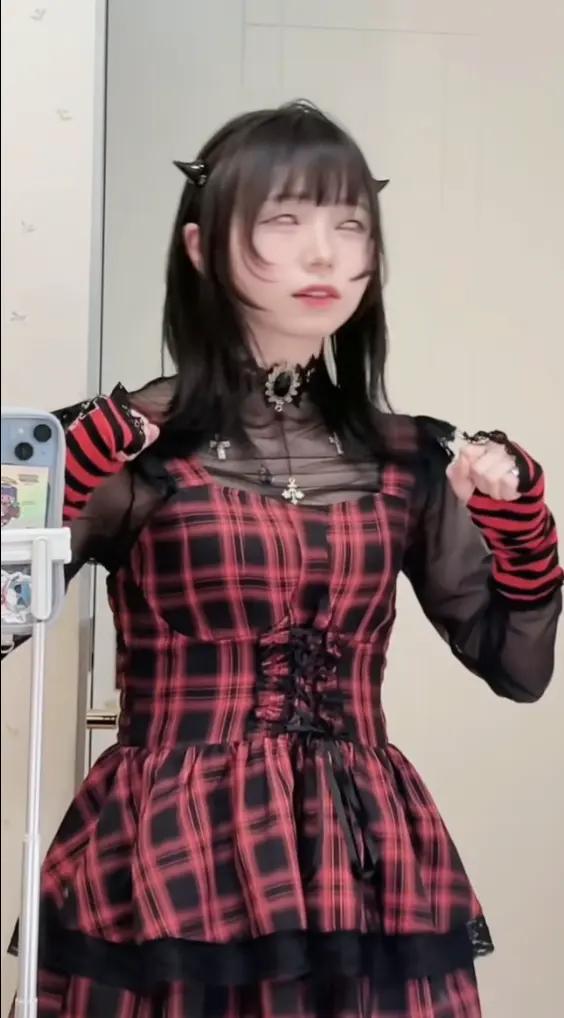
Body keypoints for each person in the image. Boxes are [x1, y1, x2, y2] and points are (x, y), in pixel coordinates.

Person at [5, 100, 562, 1018]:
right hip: (168, 858)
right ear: (200, 247)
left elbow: (518, 667)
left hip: (360, 859)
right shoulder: (125, 446)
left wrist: (519, 526)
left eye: (350, 226)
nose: (324, 256)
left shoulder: (409, 456)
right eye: (285, 221)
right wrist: (67, 483)